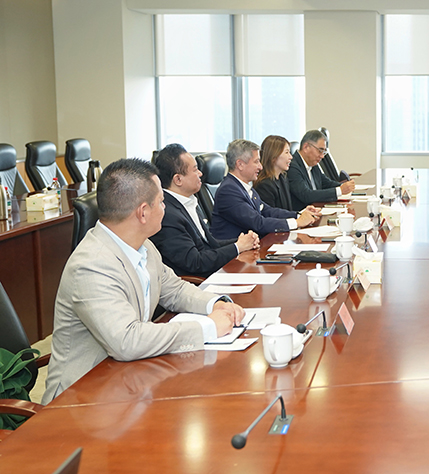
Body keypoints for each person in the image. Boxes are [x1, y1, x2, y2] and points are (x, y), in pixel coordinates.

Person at [42, 159, 244, 403]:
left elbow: (175, 289)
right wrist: (207, 328)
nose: (165, 208)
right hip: (81, 399)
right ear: (143, 212)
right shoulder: (91, 265)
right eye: (162, 201)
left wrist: (216, 304)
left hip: (129, 379)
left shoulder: (143, 245)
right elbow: (127, 340)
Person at [151, 144, 259, 279]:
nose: (200, 174)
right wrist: (237, 247)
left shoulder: (189, 202)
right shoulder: (167, 215)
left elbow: (210, 244)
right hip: (198, 283)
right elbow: (195, 262)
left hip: (213, 273)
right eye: (195, 169)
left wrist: (243, 241)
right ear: (178, 179)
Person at [211, 139, 318, 239]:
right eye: (256, 162)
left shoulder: (243, 187)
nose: (260, 167)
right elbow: (258, 223)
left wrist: (299, 214)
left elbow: (268, 211)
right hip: (236, 251)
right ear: (240, 164)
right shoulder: (228, 191)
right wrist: (297, 222)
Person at [288, 130, 356, 209]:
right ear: (306, 147)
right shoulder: (292, 166)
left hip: (317, 209)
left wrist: (345, 187)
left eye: (324, 152)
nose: (322, 156)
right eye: (320, 150)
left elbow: (326, 183)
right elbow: (306, 195)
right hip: (303, 213)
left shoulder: (312, 163)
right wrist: (339, 190)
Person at [253, 135, 297, 210]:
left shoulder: (282, 178)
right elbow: (271, 215)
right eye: (287, 152)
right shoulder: (264, 186)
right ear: (274, 156)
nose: (291, 157)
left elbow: (288, 211)